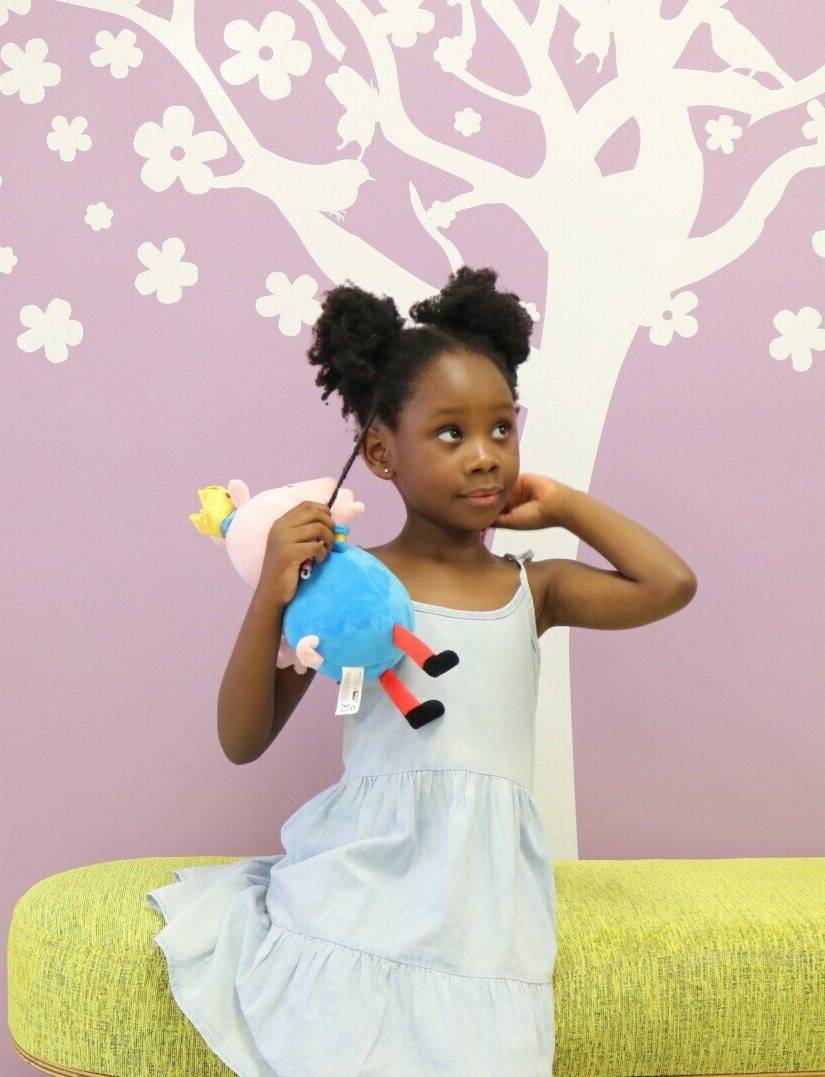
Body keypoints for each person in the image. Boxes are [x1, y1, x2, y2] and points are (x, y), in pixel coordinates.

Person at [145, 265, 697, 1076]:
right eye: (451, 434)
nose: (484, 457)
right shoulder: (346, 589)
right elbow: (242, 738)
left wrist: (566, 503)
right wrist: (271, 592)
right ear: (379, 452)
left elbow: (669, 584)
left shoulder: (530, 587)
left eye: (502, 430)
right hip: (364, 880)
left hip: (482, 904)